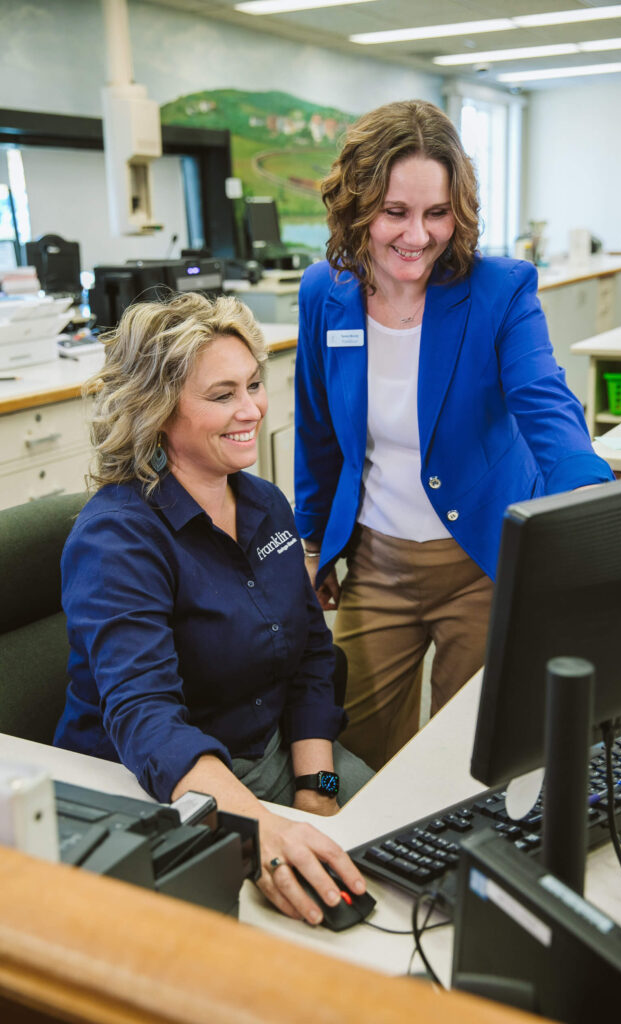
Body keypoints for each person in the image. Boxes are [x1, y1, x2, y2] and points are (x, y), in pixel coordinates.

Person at [294, 99, 614, 771]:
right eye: (394, 212)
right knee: (357, 754)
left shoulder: (498, 289)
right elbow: (318, 426)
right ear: (357, 207)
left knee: (467, 761)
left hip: (483, 562)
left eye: (436, 213)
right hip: (377, 562)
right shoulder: (324, 291)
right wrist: (313, 538)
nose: (417, 235)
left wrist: (591, 524)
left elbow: (546, 407)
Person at [54, 292, 373, 925]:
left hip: (279, 761)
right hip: (166, 788)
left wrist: (317, 791)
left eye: (253, 384)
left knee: (403, 844)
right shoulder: (117, 539)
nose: (252, 409)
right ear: (159, 410)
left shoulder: (265, 506)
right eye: (222, 395)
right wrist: (263, 834)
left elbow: (312, 657)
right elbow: (149, 720)